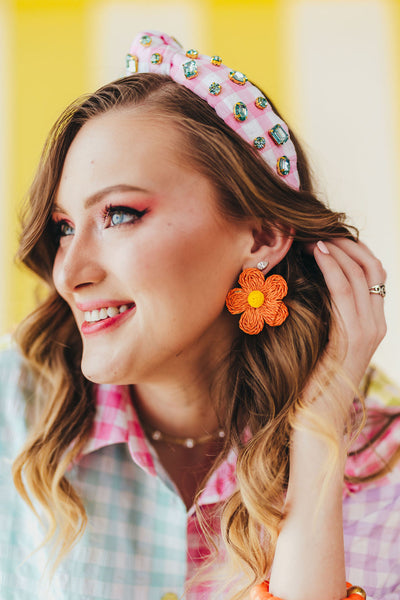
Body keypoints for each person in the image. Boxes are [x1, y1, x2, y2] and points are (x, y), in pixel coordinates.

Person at [0, 29, 399, 600]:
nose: (69, 272)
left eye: (119, 214)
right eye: (64, 227)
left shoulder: (384, 469)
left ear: (261, 235)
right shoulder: (11, 414)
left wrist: (317, 447)